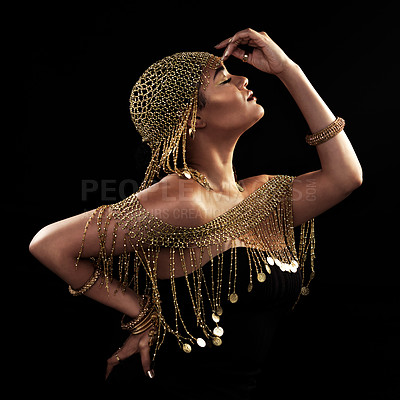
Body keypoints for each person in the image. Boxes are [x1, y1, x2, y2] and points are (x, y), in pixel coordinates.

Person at [29, 28, 362, 399]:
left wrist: (288, 70)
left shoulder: (261, 196)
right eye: (224, 79)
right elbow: (49, 244)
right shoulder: (183, 198)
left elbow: (344, 177)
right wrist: (141, 313)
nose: (243, 77)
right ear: (196, 119)